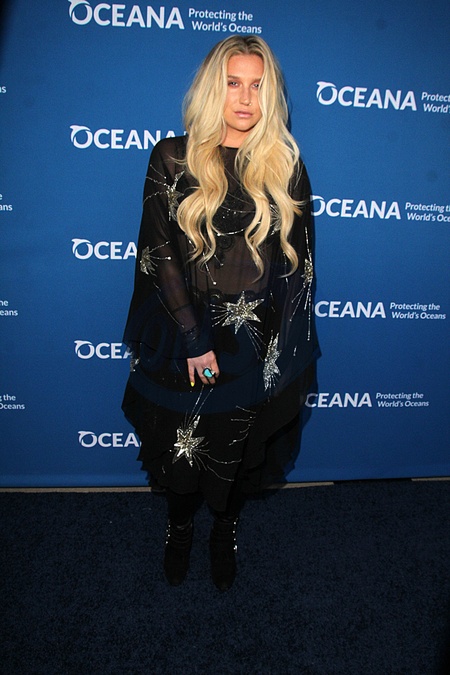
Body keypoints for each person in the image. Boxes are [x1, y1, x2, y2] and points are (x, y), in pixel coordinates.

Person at [122, 35, 319, 591]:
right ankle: (180, 528)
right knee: (182, 453)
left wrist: (280, 356)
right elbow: (159, 252)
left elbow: (299, 269)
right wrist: (193, 340)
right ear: (214, 88)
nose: (246, 98)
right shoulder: (171, 157)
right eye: (234, 83)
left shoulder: (285, 167)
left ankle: (224, 531)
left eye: (258, 85)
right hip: (187, 337)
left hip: (254, 345)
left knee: (236, 454)